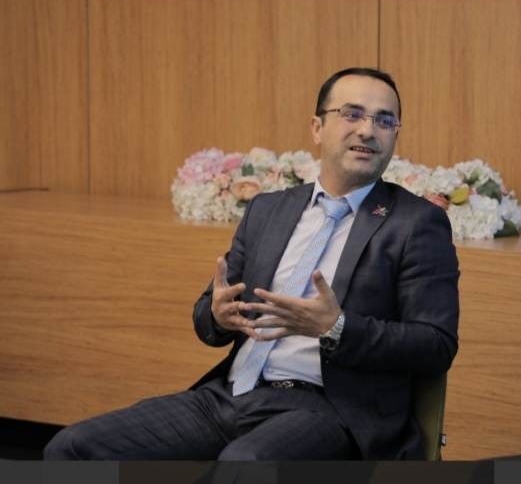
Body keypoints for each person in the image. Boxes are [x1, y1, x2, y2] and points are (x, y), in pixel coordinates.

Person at [44, 67, 459, 461]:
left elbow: (435, 345)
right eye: (352, 114)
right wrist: (218, 315)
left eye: (384, 120)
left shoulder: (415, 223)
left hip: (328, 410)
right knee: (74, 448)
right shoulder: (268, 210)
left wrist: (336, 327)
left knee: (244, 463)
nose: (368, 130)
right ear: (317, 127)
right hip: (231, 395)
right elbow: (209, 318)